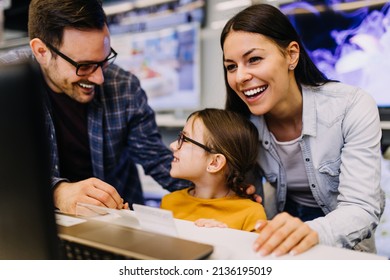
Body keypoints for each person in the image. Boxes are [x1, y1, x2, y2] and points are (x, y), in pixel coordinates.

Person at [220, 4, 385, 256]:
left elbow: (361, 207)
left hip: (346, 244)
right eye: (231, 66)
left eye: (254, 59)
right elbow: (244, 203)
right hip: (277, 240)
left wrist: (313, 232)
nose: (240, 77)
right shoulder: (242, 123)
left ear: (291, 55)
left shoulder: (351, 105)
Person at [0, 0, 190, 214]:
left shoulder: (124, 87)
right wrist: (58, 191)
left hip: (117, 227)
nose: (100, 78)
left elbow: (157, 160)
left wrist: (214, 193)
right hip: (33, 221)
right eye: (85, 66)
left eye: (104, 60)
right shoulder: (7, 83)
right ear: (42, 51)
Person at [160, 108, 267, 231]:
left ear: (215, 162)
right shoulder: (169, 202)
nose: (172, 146)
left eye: (184, 140)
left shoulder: (251, 214)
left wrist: (222, 238)